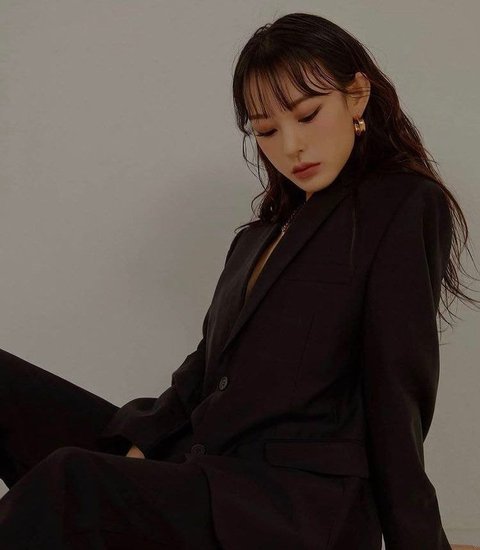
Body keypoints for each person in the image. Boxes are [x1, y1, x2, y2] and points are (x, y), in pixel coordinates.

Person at [0, 11, 478, 550]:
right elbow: (203, 372)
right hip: (198, 466)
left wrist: (418, 540)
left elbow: (397, 391)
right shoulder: (257, 237)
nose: (291, 146)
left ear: (357, 96)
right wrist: (142, 446)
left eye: (308, 115)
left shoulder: (401, 204)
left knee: (71, 478)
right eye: (267, 130)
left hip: (289, 506)